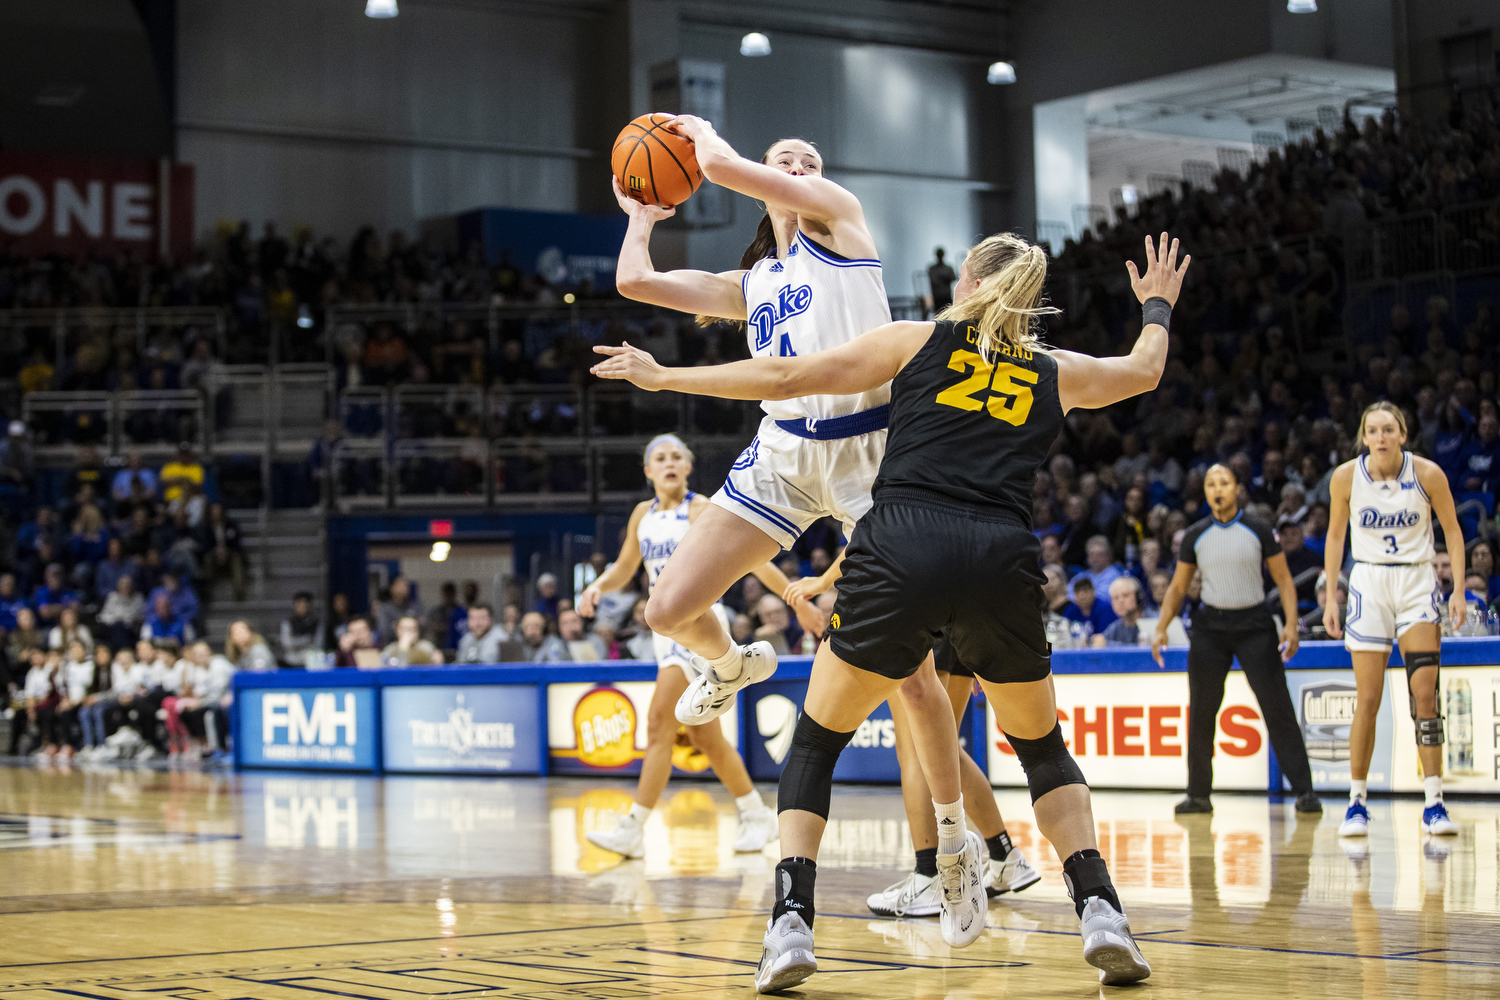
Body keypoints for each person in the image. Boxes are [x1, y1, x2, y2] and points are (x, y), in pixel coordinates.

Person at [592, 228, 1192, 989]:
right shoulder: (1053, 368)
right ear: (1031, 299)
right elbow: (1144, 369)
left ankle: (790, 925)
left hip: (903, 542)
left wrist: (665, 374)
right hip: (1001, 555)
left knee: (815, 741)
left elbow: (784, 377)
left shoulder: (917, 340)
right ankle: (1100, 907)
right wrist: (1158, 304)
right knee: (1041, 750)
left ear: (968, 277)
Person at [609, 121, 887, 729]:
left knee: (912, 676)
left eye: (808, 162)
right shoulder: (750, 284)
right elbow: (634, 281)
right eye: (783, 161)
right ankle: (731, 665)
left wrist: (702, 130)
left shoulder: (841, 219)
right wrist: (640, 217)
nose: (797, 169)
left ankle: (955, 818)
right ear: (764, 189)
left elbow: (718, 169)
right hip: (782, 452)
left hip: (867, 447)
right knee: (667, 609)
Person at [579, 434, 815, 857]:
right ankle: (756, 815)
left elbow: (755, 559)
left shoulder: (700, 508)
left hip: (699, 624)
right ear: (648, 471)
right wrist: (598, 585)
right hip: (663, 630)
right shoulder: (641, 515)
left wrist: (793, 598)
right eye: (659, 458)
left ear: (688, 468)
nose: (669, 463)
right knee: (706, 738)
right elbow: (626, 568)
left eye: (677, 457)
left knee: (657, 724)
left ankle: (633, 827)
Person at [1323, 402, 1467, 839]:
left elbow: (1454, 531)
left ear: (1403, 434)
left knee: (1425, 695)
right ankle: (1357, 802)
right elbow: (1334, 536)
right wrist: (1332, 595)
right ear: (1363, 437)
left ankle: (1435, 802)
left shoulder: (1428, 474)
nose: (1381, 437)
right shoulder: (1346, 477)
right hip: (1368, 582)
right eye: (1373, 430)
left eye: (1389, 429)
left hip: (1416, 580)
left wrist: (1458, 589)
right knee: (1367, 699)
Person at [1151, 463, 1320, 815]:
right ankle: (1198, 795)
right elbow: (1179, 586)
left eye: (1224, 482)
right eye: (1211, 483)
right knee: (1201, 712)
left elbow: (1285, 580)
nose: (1217, 488)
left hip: (1255, 624)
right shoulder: (1196, 535)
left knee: (1278, 708)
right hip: (1211, 627)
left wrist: (1291, 624)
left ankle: (1305, 791)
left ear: (1236, 489)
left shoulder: (1258, 529)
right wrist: (1161, 626)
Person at [864, 634, 1039, 919]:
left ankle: (928, 876)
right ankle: (1004, 856)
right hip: (959, 625)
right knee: (942, 749)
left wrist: (821, 587)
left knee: (916, 750)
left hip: (915, 616)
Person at [374, 576, 424, 645]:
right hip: (392, 646)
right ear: (392, 588)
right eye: (400, 585)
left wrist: (396, 625)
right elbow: (384, 631)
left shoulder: (416, 607)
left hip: (415, 646)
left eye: (406, 585)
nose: (404, 589)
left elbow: (423, 625)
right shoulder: (384, 609)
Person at [279, 591, 321, 669]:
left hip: (311, 663)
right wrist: (306, 640)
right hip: (291, 662)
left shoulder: (315, 623)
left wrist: (297, 642)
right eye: (299, 604)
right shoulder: (288, 622)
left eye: (304, 604)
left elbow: (318, 644)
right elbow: (287, 644)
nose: (302, 606)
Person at [1098, 577, 1145, 646]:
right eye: (1116, 598)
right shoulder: (1113, 629)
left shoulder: (1153, 621)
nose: (1121, 601)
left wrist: (1107, 644)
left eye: (1125, 595)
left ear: (1138, 597)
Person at [927, 247, 956, 312]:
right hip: (937, 297)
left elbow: (953, 278)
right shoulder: (932, 269)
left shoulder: (948, 268)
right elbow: (934, 281)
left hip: (947, 296)